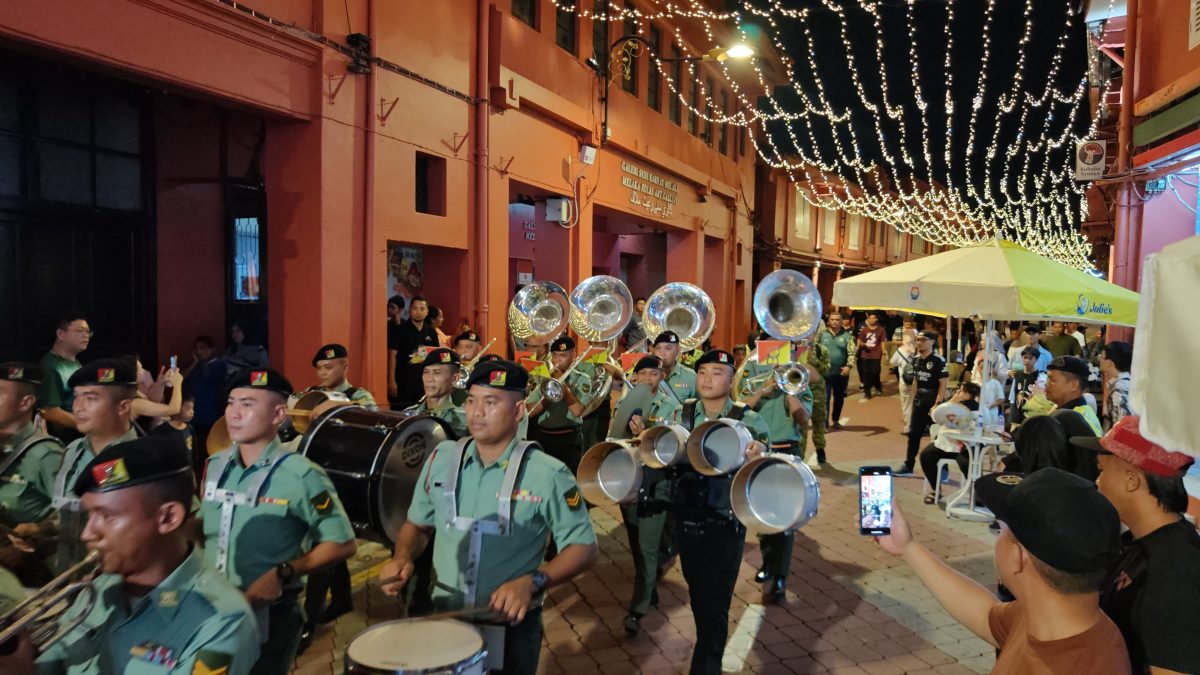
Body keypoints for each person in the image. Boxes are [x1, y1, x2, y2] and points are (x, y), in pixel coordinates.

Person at [379, 360, 598, 675]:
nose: (477, 412)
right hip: (446, 619)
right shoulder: (440, 459)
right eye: (471, 400)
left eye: (491, 402)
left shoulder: (547, 474)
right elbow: (417, 525)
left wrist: (535, 580)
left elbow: (584, 548)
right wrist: (403, 556)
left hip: (511, 628)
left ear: (519, 410)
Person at [5, 434, 263, 674]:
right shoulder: (101, 585)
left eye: (107, 516)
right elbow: (57, 658)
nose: (87, 534)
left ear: (168, 517)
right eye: (89, 516)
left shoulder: (223, 622)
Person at [879, 468, 1130, 674]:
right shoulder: (1057, 617)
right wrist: (907, 547)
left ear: (1018, 556)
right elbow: (985, 614)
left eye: (1001, 530)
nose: (996, 539)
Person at [201, 367, 357, 675]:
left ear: (277, 415)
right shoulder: (215, 464)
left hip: (269, 614)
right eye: (231, 403)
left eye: (248, 404)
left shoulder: (301, 474)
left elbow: (342, 543)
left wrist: (285, 571)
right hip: (211, 607)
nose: (234, 413)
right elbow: (203, 522)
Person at [1071, 417, 1200, 674]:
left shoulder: (1176, 573)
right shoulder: (1143, 542)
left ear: (1131, 480)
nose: (1098, 482)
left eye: (1102, 471)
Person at [673, 349, 769, 675]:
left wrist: (759, 452)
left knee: (715, 601)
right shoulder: (682, 414)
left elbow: (764, 460)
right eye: (702, 372)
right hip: (687, 516)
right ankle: (707, 650)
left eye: (716, 372)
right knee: (699, 593)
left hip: (726, 519)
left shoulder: (748, 419)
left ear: (731, 379)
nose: (707, 378)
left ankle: (706, 666)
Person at [52, 359, 142, 574]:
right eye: (76, 397)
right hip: (67, 577)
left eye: (91, 398)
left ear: (123, 407)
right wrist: (43, 530)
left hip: (115, 584)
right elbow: (70, 510)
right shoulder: (73, 451)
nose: (77, 407)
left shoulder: (142, 459)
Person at [617, 355, 682, 636]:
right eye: (641, 374)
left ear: (662, 378)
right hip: (629, 481)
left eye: (652, 374)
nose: (646, 379)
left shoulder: (672, 407)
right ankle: (649, 586)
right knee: (636, 544)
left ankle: (638, 609)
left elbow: (672, 449)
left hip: (657, 483)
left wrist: (646, 435)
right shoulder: (625, 404)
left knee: (646, 546)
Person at [741, 353, 812, 601]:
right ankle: (768, 563)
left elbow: (803, 419)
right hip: (757, 452)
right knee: (762, 513)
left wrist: (788, 389)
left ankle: (779, 574)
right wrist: (763, 390)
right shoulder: (754, 374)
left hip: (786, 454)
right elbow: (739, 410)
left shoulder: (798, 377)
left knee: (784, 517)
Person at [0, 363, 65, 587]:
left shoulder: (45, 455)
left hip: (33, 577)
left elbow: (74, 513)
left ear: (25, 402)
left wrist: (40, 532)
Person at [527, 336, 595, 474]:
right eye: (555, 355)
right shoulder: (545, 379)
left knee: (570, 481)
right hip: (545, 437)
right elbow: (531, 411)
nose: (557, 360)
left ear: (573, 356)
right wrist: (549, 391)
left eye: (563, 355)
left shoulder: (582, 379)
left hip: (569, 439)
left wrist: (562, 386)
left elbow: (577, 411)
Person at [896, 331, 947, 476]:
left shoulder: (938, 360)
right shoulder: (916, 360)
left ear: (932, 342)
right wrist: (912, 401)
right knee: (913, 436)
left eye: (923, 340)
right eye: (917, 340)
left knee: (938, 438)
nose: (919, 342)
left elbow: (943, 383)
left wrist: (937, 403)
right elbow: (915, 382)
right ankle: (908, 465)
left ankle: (943, 469)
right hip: (919, 403)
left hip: (933, 405)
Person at [918, 383, 980, 503]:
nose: (957, 393)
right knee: (926, 456)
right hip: (945, 443)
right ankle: (936, 490)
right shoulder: (950, 406)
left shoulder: (977, 410)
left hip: (964, 446)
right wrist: (952, 401)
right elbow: (934, 416)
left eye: (960, 391)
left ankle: (977, 494)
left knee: (968, 465)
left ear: (967, 395)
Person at [38, 311, 91, 440]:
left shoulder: (75, 363)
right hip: (68, 437)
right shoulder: (50, 367)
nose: (86, 336)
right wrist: (89, 426)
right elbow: (50, 412)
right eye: (80, 331)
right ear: (61, 334)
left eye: (88, 331)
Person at [1023, 356, 1102, 435]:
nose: (1046, 384)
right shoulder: (1084, 410)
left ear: (1074, 385)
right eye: (1047, 379)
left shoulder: (1067, 419)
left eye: (1052, 380)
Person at [402, 348, 469, 436]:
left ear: (455, 378)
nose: (429, 379)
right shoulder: (407, 415)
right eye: (426, 372)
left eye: (437, 373)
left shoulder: (465, 420)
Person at [390, 296, 440, 409]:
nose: (418, 312)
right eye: (415, 308)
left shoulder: (431, 332)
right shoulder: (399, 330)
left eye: (422, 309)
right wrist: (391, 381)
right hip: (403, 380)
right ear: (409, 310)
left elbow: (435, 357)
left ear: (427, 312)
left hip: (424, 382)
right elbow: (392, 356)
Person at [181, 335, 227, 444]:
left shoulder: (219, 365)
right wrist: (194, 363)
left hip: (211, 414)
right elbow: (180, 378)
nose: (199, 351)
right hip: (193, 415)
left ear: (212, 349)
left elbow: (209, 377)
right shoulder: (193, 366)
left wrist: (202, 363)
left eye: (203, 348)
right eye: (196, 348)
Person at [301, 343, 377, 406]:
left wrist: (336, 405)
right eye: (319, 368)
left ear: (345, 367)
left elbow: (370, 417)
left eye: (328, 367)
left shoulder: (359, 396)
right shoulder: (311, 393)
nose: (322, 373)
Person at [818, 311, 856, 430]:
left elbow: (851, 353)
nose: (834, 322)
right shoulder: (821, 335)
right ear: (829, 321)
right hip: (825, 373)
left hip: (841, 373)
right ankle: (824, 423)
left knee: (839, 398)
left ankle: (835, 420)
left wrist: (848, 366)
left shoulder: (847, 337)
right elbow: (814, 351)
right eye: (832, 319)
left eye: (837, 320)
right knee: (825, 398)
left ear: (841, 322)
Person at [802, 340, 831, 465]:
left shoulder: (821, 349)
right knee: (800, 425)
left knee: (819, 422)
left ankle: (820, 449)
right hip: (800, 392)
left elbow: (826, 371)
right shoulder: (792, 349)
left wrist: (812, 359)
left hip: (818, 392)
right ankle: (800, 454)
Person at [651, 331, 697, 403]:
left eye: (668, 348)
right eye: (658, 348)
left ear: (678, 350)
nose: (662, 353)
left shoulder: (691, 377)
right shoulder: (646, 376)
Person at [1007, 346, 1045, 429]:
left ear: (1036, 359)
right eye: (1025, 357)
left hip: (1031, 415)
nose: (1027, 360)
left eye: (1030, 358)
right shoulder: (1017, 374)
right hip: (1017, 414)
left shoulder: (1040, 376)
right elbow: (1014, 395)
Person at [1100, 341, 1133, 432]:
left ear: (1109, 362)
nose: (1100, 360)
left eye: (1102, 357)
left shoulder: (1119, 390)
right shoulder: (1126, 383)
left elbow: (1122, 427)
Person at [890, 331, 917, 433]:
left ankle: (908, 427)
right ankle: (917, 425)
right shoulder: (918, 350)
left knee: (906, 404)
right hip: (917, 382)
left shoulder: (900, 350)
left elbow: (892, 362)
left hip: (905, 381)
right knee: (916, 404)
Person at [856, 312, 888, 398]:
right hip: (865, 354)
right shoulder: (864, 330)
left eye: (874, 318)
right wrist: (859, 347)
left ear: (876, 319)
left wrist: (884, 353)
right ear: (868, 319)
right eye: (870, 318)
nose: (872, 320)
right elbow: (860, 341)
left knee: (875, 372)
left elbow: (882, 342)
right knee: (866, 373)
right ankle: (867, 392)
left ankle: (878, 387)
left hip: (876, 354)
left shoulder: (881, 329)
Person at [386, 295, 406, 404]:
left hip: (403, 367)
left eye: (392, 307)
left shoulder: (405, 325)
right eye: (388, 307)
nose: (389, 310)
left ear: (401, 310)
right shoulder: (386, 325)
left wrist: (398, 324)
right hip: (389, 365)